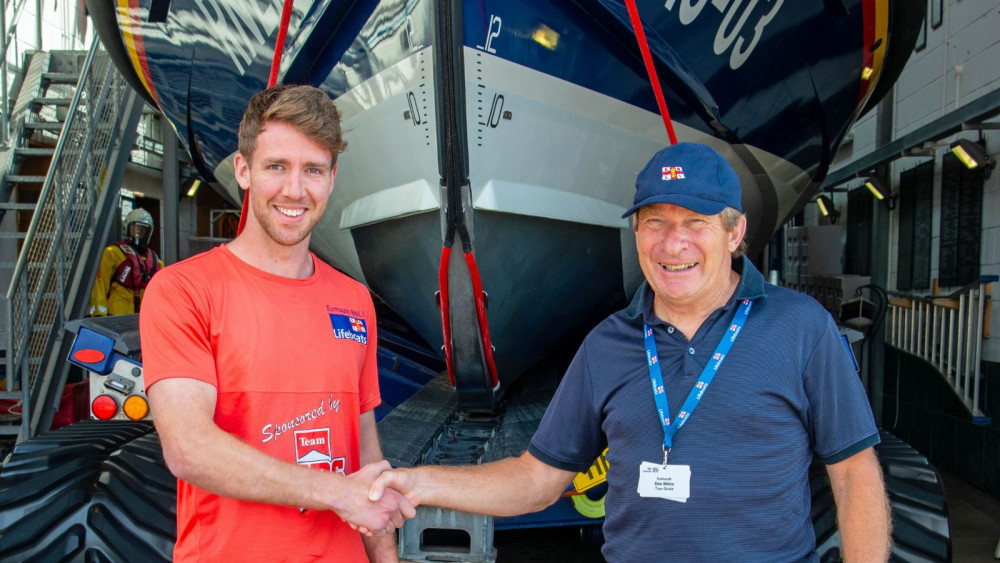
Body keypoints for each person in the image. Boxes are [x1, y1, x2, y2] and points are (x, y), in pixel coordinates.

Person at [370, 142, 892, 561]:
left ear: (735, 234)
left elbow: (853, 473)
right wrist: (418, 482)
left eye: (695, 222)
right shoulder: (607, 345)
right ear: (637, 231)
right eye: (655, 222)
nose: (673, 243)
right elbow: (537, 479)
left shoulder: (801, 328)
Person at [139, 85, 413, 562]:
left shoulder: (354, 301)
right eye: (276, 167)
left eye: (313, 170)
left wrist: (386, 558)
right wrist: (338, 493)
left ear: (331, 179)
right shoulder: (183, 291)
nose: (295, 190)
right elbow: (189, 448)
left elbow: (365, 453)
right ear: (243, 171)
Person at [89, 207, 164, 316]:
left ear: (149, 232)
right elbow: (100, 284)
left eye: (143, 229)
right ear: (127, 228)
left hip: (143, 319)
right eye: (135, 228)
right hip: (116, 318)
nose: (138, 232)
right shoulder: (113, 253)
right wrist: (98, 314)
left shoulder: (157, 263)